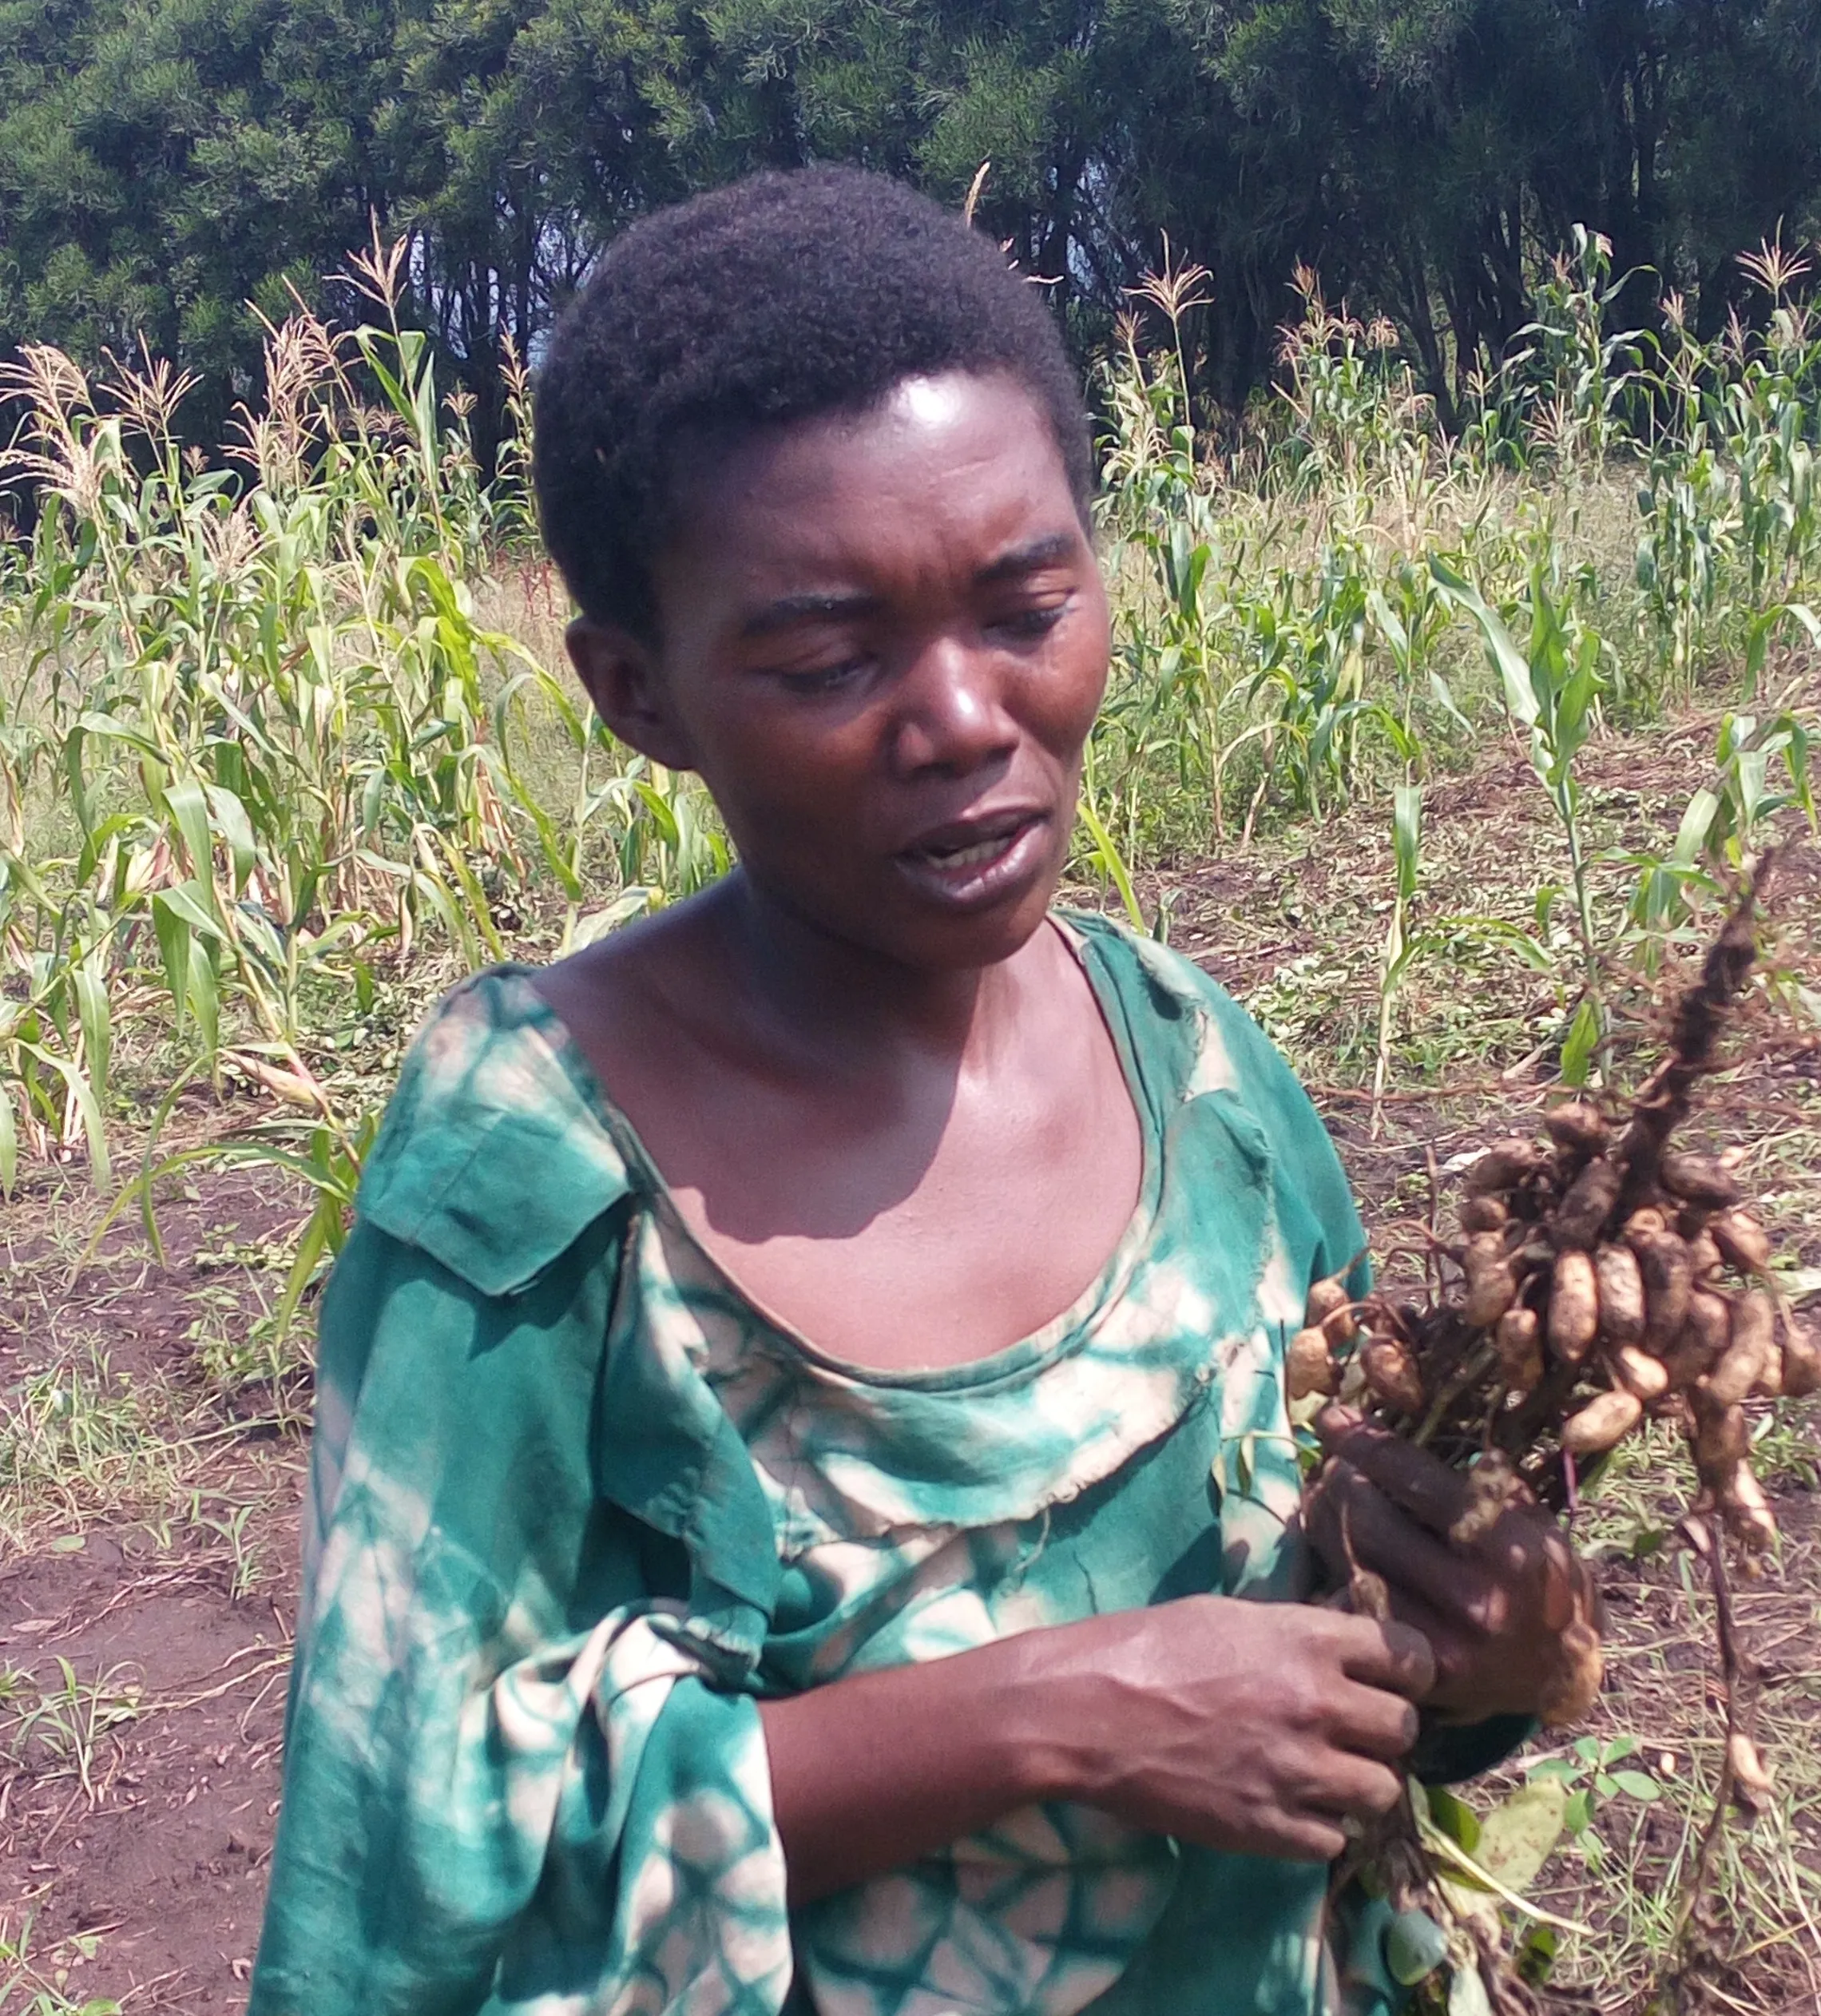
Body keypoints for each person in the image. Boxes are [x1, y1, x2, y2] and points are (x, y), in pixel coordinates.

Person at [248, 166, 1596, 2016]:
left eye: (1026, 604)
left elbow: (1340, 1630)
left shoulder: (1199, 1069)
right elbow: (403, 1867)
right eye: (827, 657)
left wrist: (1488, 1645)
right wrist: (1046, 1718)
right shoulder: (531, 1179)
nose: (962, 715)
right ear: (641, 693)